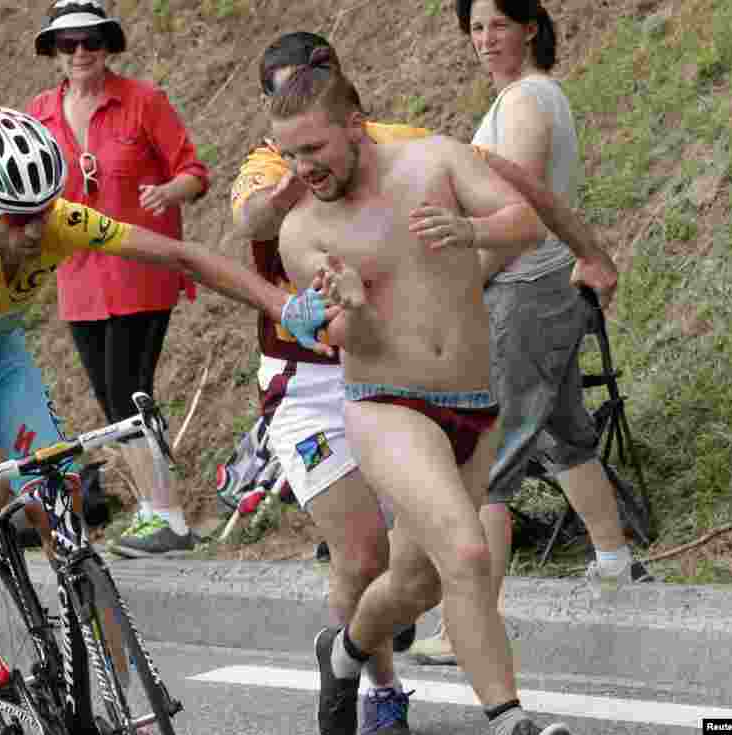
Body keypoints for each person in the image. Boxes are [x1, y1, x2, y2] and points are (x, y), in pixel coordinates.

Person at [231, 31, 619, 733]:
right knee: (466, 550)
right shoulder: (301, 231)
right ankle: (510, 718)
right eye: (287, 155)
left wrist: (472, 232)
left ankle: (346, 652)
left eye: (313, 150)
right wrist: (348, 304)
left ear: (355, 127)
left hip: (473, 403)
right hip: (386, 406)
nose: (301, 169)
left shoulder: (434, 159)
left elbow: (525, 223)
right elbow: (345, 342)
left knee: (417, 580)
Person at [0, 104, 332, 688]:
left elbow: (182, 257)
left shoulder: (62, 221)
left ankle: (124, 691)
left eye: (42, 212)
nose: (37, 230)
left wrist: (281, 305)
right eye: (18, 220)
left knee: (58, 495)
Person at [408, 0, 652, 666]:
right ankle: (615, 563)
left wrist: (463, 286)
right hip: (544, 288)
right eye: (476, 26)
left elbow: (521, 215)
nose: (485, 38)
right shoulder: (526, 98)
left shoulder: (524, 103)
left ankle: (469, 629)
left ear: (531, 28)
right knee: (565, 429)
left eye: (498, 24)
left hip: (525, 289)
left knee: (490, 466)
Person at [28, 0, 209, 557]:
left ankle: (169, 517)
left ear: (108, 46)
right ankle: (156, 511)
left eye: (92, 41)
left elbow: (194, 172)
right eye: (68, 44)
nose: (81, 53)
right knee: (113, 406)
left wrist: (168, 192)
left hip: (140, 271)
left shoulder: (143, 101)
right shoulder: (39, 112)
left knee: (132, 393)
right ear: (55, 53)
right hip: (78, 279)